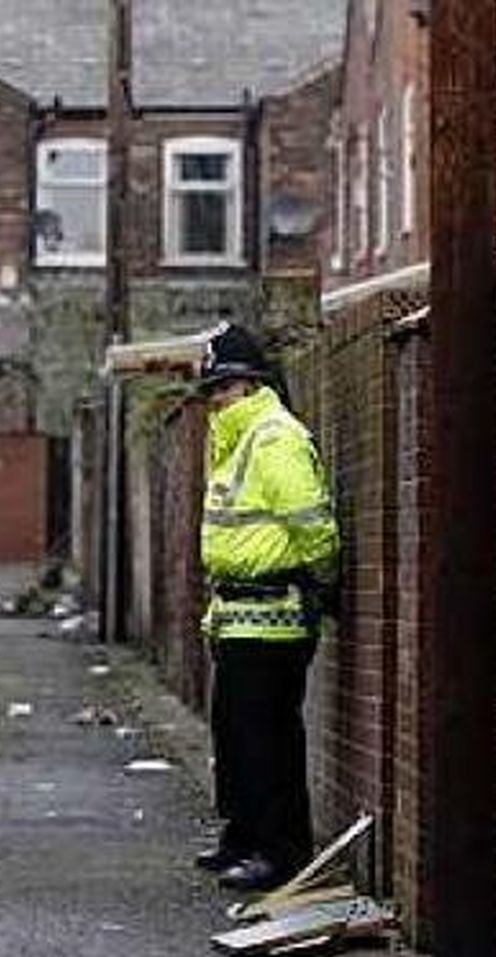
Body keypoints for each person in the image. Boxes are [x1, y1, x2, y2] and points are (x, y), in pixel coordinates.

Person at [192, 322, 339, 891]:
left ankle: (279, 851)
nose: (214, 402)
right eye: (210, 392)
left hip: (275, 615)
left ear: (251, 385)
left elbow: (311, 524)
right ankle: (245, 837)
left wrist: (323, 581)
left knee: (268, 738)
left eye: (222, 390)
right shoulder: (236, 440)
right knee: (235, 735)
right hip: (240, 616)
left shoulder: (273, 437)